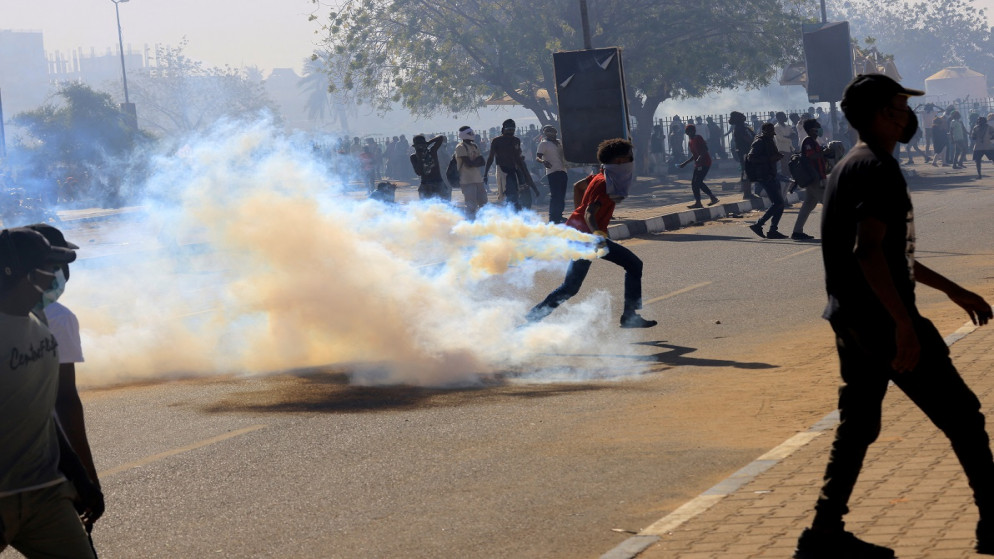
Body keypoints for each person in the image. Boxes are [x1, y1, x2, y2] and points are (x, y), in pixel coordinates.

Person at [793, 74, 994, 559]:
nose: (910, 117)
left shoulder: (850, 165)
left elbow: (888, 252)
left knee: (858, 425)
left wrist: (952, 289)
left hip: (851, 318)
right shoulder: (878, 167)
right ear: (884, 114)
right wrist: (905, 324)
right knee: (964, 418)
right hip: (883, 320)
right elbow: (868, 252)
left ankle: (822, 535)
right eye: (903, 107)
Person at [0, 227, 104, 558]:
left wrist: (78, 475)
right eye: (46, 269)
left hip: (45, 492)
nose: (53, 279)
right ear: (16, 274)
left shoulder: (41, 320)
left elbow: (45, 409)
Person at [526, 138, 657, 329]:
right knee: (634, 265)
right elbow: (589, 213)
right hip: (588, 239)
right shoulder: (605, 183)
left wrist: (580, 213)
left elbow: (578, 186)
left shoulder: (601, 175)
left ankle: (534, 316)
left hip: (580, 236)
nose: (631, 162)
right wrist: (596, 232)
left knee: (570, 287)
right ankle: (630, 316)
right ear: (619, 162)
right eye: (629, 158)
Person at [484, 119, 537, 212]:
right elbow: (491, 158)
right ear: (503, 129)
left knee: (524, 194)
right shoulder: (496, 141)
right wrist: (485, 173)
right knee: (509, 195)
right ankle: (512, 216)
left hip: (517, 169)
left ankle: (522, 215)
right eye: (509, 129)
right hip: (503, 170)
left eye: (512, 129)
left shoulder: (516, 140)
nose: (511, 131)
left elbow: (518, 156)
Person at [746, 123, 786, 239]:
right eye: (769, 131)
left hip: (772, 175)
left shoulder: (769, 140)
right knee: (778, 203)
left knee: (780, 203)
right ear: (763, 131)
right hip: (764, 176)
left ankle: (773, 230)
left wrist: (777, 156)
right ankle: (759, 224)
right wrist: (769, 159)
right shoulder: (759, 142)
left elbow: (771, 155)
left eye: (772, 131)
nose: (772, 133)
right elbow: (751, 157)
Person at [791, 119, 829, 241]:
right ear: (811, 129)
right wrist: (824, 153)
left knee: (808, 205)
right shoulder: (808, 141)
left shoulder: (813, 141)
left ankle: (797, 231)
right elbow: (811, 156)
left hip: (816, 177)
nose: (819, 130)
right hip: (814, 178)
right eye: (817, 127)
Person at [678, 124, 719, 208]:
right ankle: (701, 201)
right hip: (698, 164)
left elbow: (705, 149)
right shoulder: (690, 142)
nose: (689, 133)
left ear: (694, 131)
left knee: (698, 182)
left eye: (690, 131)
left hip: (705, 162)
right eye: (688, 132)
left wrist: (700, 158)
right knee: (694, 183)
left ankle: (710, 198)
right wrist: (685, 163)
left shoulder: (698, 138)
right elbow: (694, 155)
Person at [536, 125, 569, 223]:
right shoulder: (543, 144)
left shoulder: (559, 142)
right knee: (555, 195)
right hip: (552, 172)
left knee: (562, 195)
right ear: (546, 133)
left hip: (563, 171)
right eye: (549, 132)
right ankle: (553, 217)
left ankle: (559, 215)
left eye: (553, 132)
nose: (552, 134)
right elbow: (538, 157)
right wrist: (543, 162)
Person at [454, 126, 488, 219]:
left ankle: (483, 223)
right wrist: (475, 162)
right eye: (470, 133)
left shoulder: (474, 146)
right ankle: (470, 224)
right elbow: (468, 164)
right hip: (467, 181)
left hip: (478, 179)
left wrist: (474, 162)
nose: (472, 135)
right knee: (471, 205)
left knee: (484, 203)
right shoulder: (460, 147)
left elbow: (482, 161)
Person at [729, 111, 758, 199]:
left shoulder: (743, 127)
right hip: (744, 152)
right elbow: (747, 139)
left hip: (746, 151)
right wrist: (755, 143)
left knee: (747, 171)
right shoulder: (739, 128)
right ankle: (747, 193)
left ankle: (748, 192)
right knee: (746, 172)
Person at [410, 134, 447, 200]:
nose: (420, 148)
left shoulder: (432, 151)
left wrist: (429, 142)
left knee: (442, 205)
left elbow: (440, 138)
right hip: (425, 184)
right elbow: (418, 172)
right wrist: (420, 158)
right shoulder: (413, 157)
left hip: (438, 183)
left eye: (422, 145)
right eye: (418, 147)